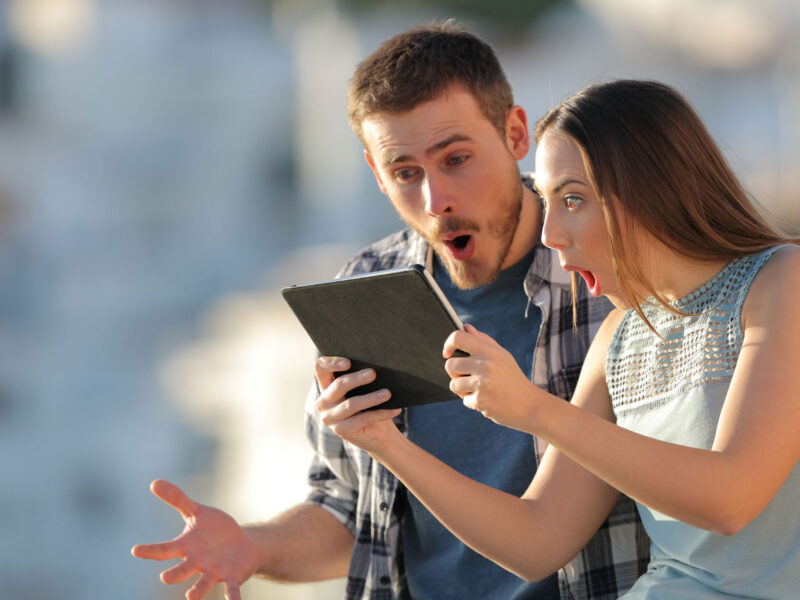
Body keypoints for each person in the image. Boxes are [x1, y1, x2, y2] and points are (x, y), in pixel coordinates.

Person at [131, 24, 649, 600]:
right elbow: (355, 515)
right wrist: (255, 548)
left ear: (516, 133)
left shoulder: (606, 267)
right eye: (406, 173)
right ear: (377, 175)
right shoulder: (364, 289)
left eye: (456, 158)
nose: (436, 200)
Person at [319, 78, 800, 599]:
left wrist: (534, 408)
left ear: (654, 187)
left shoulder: (782, 280)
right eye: (547, 202)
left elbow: (729, 499)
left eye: (573, 199)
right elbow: (537, 541)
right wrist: (385, 443)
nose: (550, 234)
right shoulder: (619, 336)